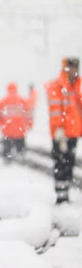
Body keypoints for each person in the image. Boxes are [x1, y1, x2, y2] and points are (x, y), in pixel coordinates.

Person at [46, 57, 82, 204]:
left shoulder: (77, 86)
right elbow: (55, 109)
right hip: (61, 134)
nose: (74, 70)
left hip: (74, 132)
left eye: (76, 68)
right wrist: (58, 128)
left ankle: (65, 193)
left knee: (69, 164)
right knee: (60, 164)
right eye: (71, 67)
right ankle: (61, 196)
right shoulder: (58, 86)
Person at [0, 82, 32, 163]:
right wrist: (29, 124)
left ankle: (7, 161)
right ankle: (21, 161)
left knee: (7, 151)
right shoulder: (22, 100)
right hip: (20, 131)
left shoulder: (3, 101)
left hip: (7, 132)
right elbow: (28, 115)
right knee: (21, 151)